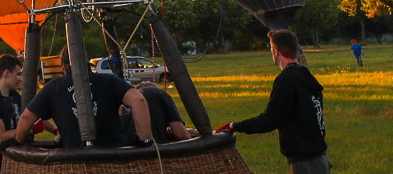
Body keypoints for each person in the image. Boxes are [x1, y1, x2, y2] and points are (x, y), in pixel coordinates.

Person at [215, 29, 329, 174]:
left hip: (305, 163)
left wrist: (233, 126)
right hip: (320, 159)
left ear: (276, 51)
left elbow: (269, 120)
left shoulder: (286, 80)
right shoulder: (306, 76)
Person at [16, 47, 152, 148]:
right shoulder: (108, 81)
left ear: (64, 66)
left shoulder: (53, 88)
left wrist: (19, 142)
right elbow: (138, 100)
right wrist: (144, 142)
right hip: (115, 158)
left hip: (75, 161)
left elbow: (26, 118)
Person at [0, 53, 44, 174]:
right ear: (6, 73)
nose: (20, 79)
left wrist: (55, 130)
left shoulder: (14, 95)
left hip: (15, 162)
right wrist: (29, 129)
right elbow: (2, 136)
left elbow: (31, 113)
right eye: (18, 74)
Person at [121, 81, 190, 145]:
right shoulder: (158, 93)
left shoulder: (125, 102)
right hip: (153, 151)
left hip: (124, 151)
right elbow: (182, 135)